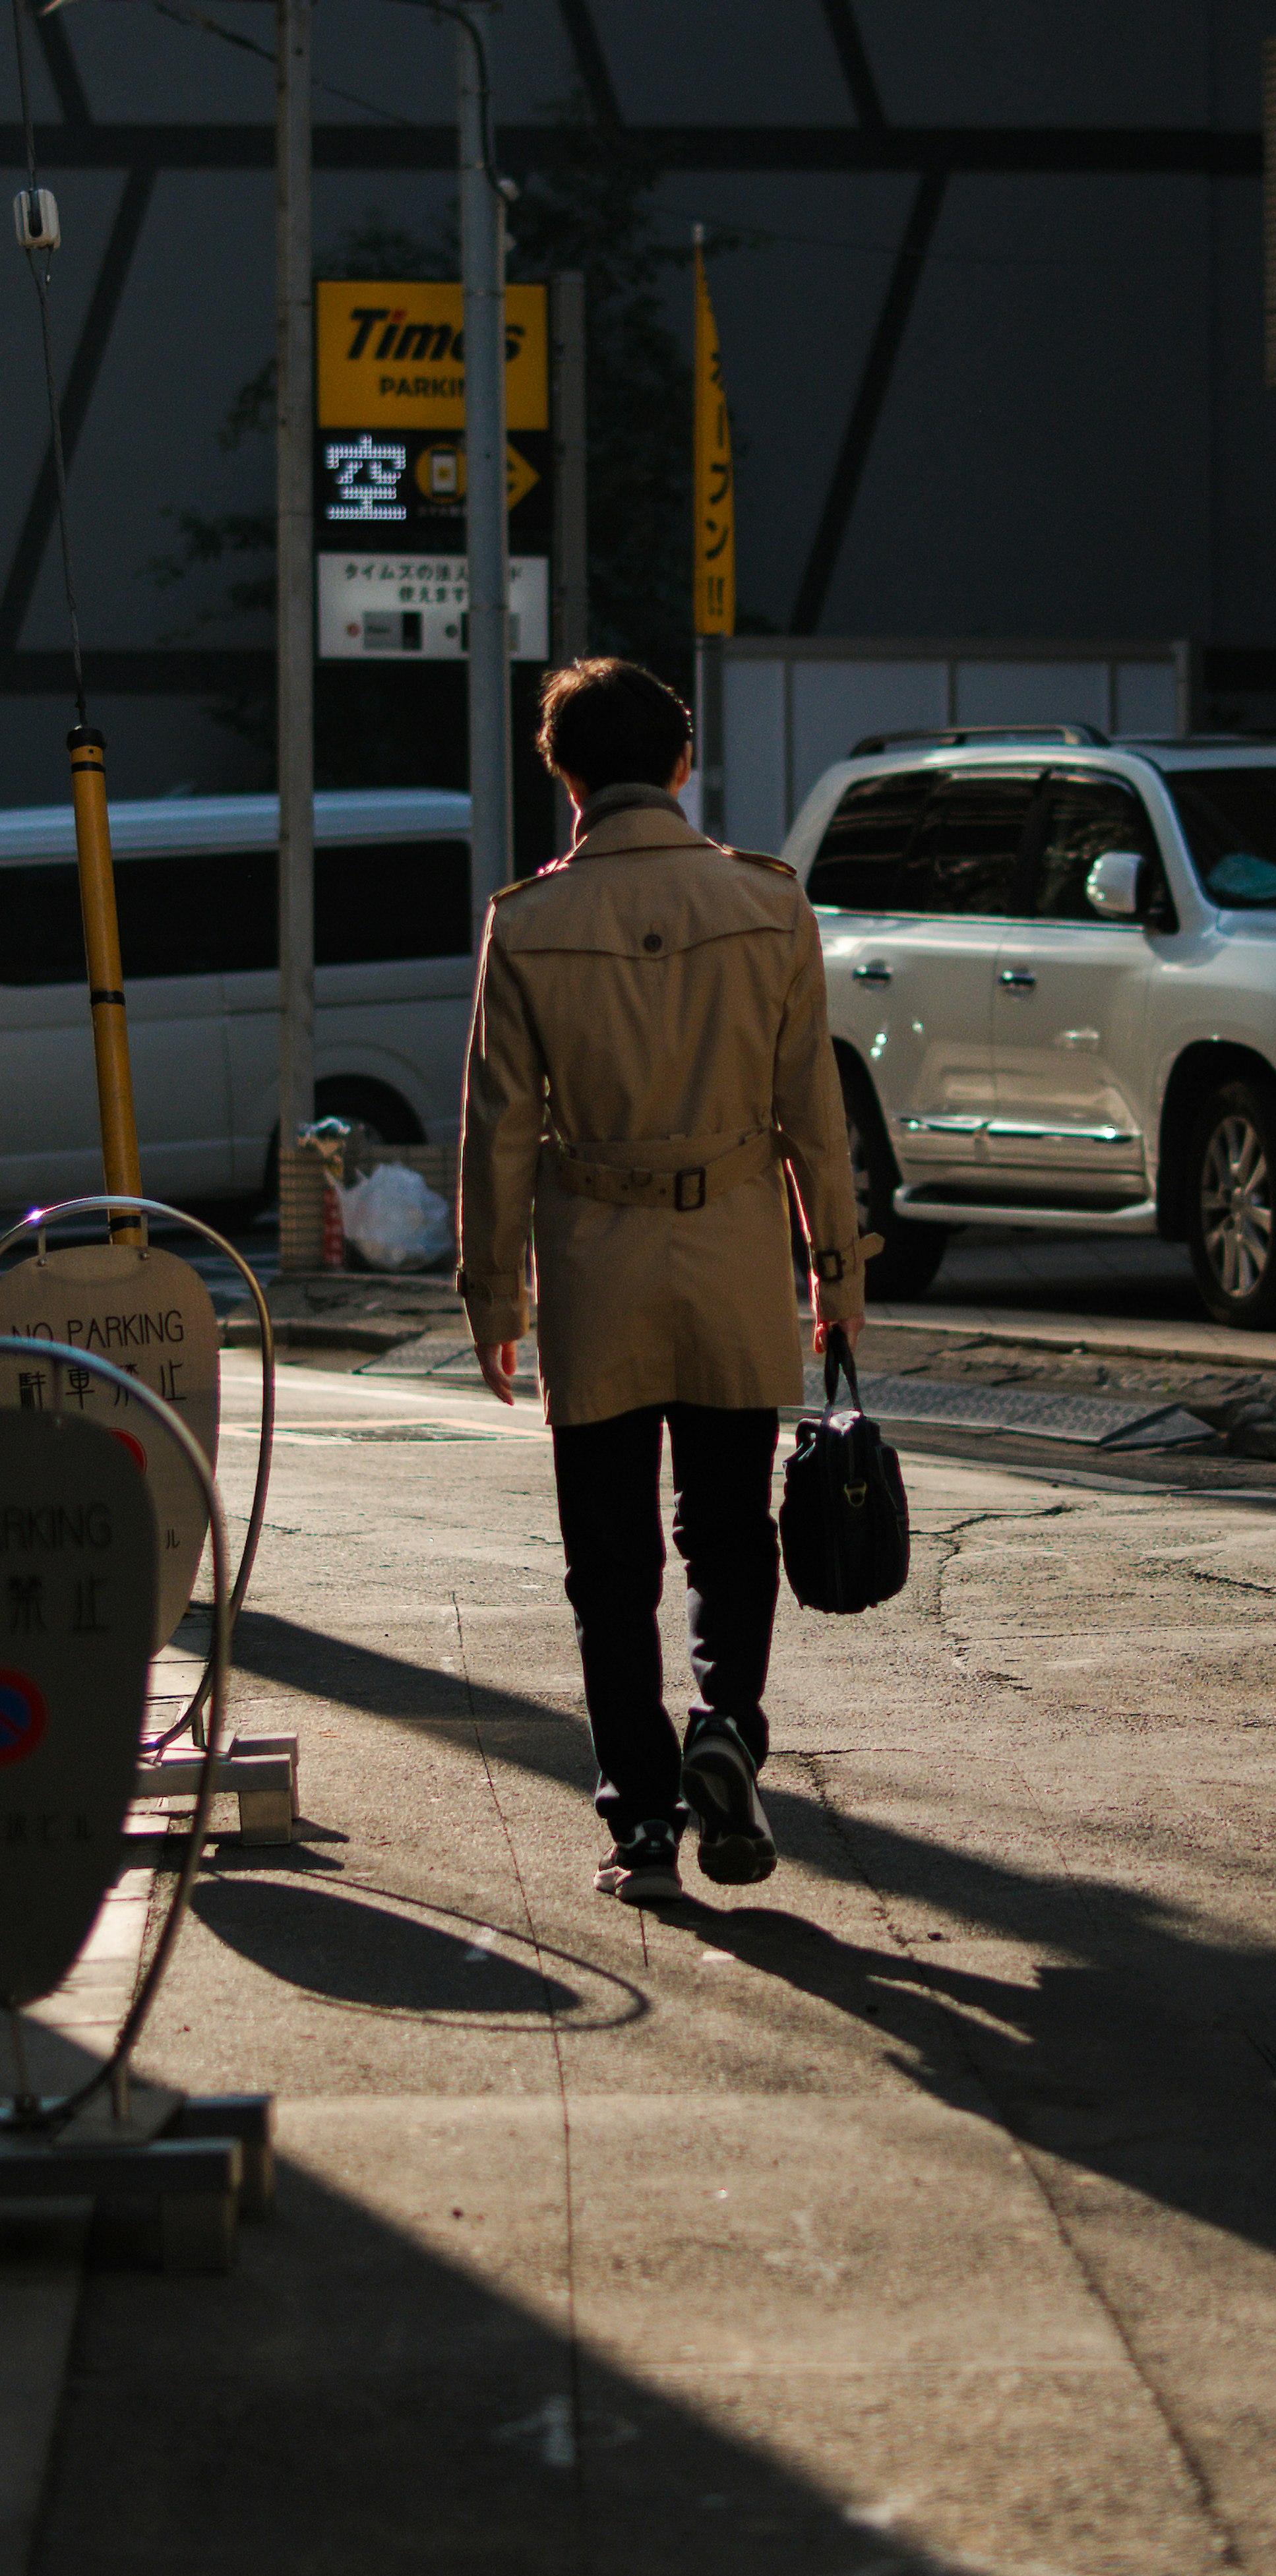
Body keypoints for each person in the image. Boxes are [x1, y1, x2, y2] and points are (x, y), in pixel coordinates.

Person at [456, 654, 865, 1906]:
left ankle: (639, 1818)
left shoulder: (527, 923)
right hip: (739, 1244)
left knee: (610, 1556)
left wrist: (495, 1298)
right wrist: (834, 1270)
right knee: (732, 1532)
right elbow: (816, 1112)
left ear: (564, 772)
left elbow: (499, 1131)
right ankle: (727, 1728)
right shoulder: (769, 902)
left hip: (596, 1258)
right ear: (682, 765)